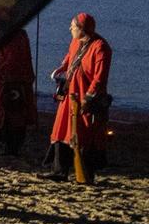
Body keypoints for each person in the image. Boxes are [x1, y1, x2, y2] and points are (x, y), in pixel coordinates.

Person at [44, 11, 112, 183]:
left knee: (85, 135)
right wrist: (62, 67)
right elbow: (70, 57)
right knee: (61, 129)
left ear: (82, 28)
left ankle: (86, 175)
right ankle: (59, 171)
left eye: (73, 26)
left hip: (86, 99)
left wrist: (88, 98)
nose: (70, 29)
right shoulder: (75, 41)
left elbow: (99, 77)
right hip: (70, 95)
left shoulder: (101, 47)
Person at [0, 13, 35, 157]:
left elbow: (13, 61)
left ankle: (12, 148)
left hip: (14, 84)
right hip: (9, 82)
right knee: (11, 114)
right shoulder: (17, 35)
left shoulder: (14, 38)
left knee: (14, 115)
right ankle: (10, 147)